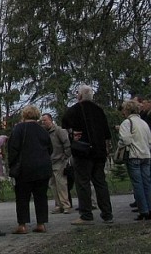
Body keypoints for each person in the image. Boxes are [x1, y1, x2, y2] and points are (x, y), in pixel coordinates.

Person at [62, 84, 114, 224]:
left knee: (83, 182)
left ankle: (86, 214)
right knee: (100, 182)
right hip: (99, 152)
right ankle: (107, 213)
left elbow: (64, 125)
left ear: (79, 96)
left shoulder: (74, 111)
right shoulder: (99, 110)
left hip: (83, 152)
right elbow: (107, 134)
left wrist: (72, 133)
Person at [8, 106, 53, 234]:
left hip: (24, 168)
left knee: (22, 197)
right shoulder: (43, 130)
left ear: (24, 115)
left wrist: (12, 164)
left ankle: (22, 225)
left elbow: (13, 148)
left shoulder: (18, 129)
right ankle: (41, 223)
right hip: (43, 167)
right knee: (41, 196)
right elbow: (50, 149)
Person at [118, 100, 151, 221]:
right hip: (146, 155)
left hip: (134, 155)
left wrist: (120, 143)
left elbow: (125, 140)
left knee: (138, 184)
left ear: (126, 110)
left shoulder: (127, 123)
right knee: (147, 183)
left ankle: (143, 210)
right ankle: (150, 207)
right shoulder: (143, 123)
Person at [41, 113, 72, 214]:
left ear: (50, 120)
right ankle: (58, 205)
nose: (43, 122)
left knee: (61, 184)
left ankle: (66, 205)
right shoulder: (44, 132)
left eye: (45, 120)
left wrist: (65, 157)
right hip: (50, 162)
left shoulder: (59, 130)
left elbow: (67, 143)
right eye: (42, 121)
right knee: (53, 185)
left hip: (59, 161)